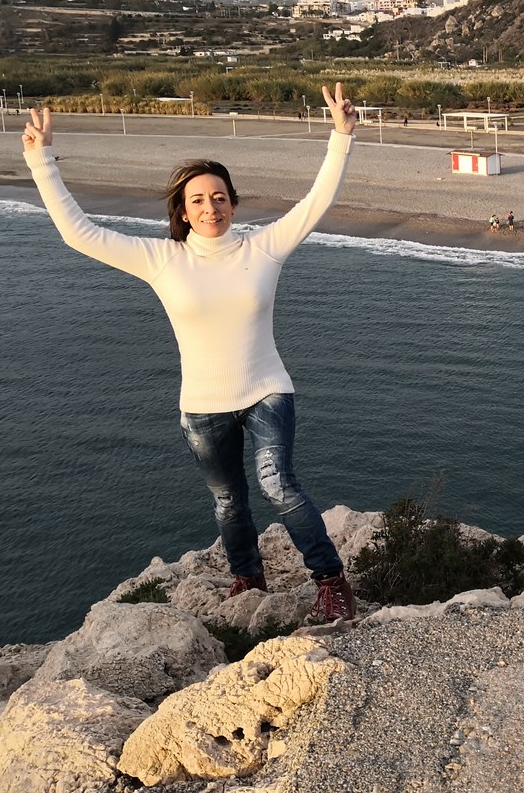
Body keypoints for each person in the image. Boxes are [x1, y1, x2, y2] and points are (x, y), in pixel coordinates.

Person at [20, 86, 362, 625]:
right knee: (228, 501)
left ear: (233, 203)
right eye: (198, 199)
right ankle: (248, 576)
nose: (210, 207)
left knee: (277, 483)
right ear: (183, 210)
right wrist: (41, 160)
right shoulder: (162, 259)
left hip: (267, 389)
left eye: (219, 197)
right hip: (202, 404)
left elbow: (316, 202)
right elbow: (79, 233)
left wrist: (341, 137)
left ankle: (330, 580)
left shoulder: (264, 248)